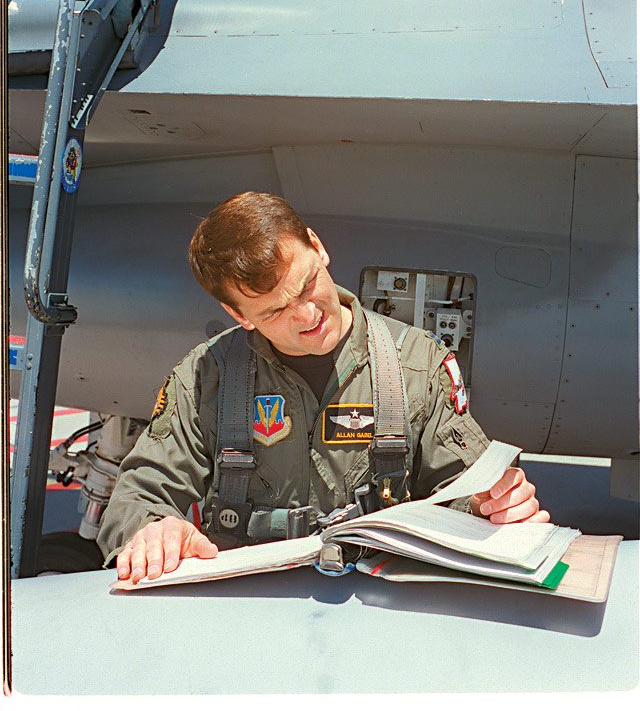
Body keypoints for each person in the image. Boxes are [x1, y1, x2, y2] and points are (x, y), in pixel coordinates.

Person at [98, 192, 549, 583]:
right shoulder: (204, 378)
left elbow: (463, 488)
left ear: (318, 246)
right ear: (239, 316)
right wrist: (151, 531)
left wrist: (494, 507)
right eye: (275, 312)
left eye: (307, 285)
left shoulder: (417, 365)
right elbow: (140, 495)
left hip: (378, 602)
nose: (307, 316)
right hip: (249, 605)